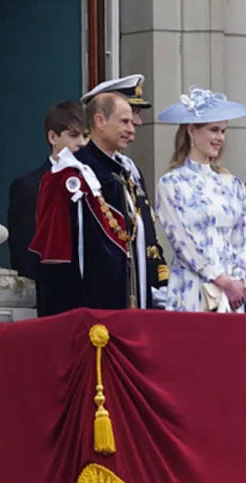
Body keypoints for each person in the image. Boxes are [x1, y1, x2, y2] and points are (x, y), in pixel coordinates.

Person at [29, 91, 169, 316]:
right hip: (89, 314)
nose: (132, 129)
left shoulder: (123, 173)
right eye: (124, 121)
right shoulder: (69, 176)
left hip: (132, 306)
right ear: (100, 121)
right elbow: (56, 262)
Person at [154, 87, 246, 313]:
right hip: (190, 288)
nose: (219, 138)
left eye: (223, 131)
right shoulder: (172, 183)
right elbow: (182, 241)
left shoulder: (232, 184)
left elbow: (241, 237)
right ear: (191, 130)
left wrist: (236, 280)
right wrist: (220, 278)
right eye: (214, 130)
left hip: (230, 295)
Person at [4, 101, 89, 280]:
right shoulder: (28, 186)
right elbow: (24, 253)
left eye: (86, 136)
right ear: (53, 137)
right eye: (74, 135)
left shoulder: (95, 182)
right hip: (53, 293)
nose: (82, 143)